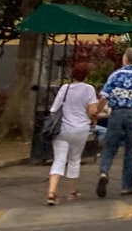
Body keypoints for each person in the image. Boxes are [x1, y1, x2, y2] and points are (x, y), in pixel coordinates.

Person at [96, 47, 132, 198]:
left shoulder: (115, 75)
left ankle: (104, 172)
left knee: (110, 147)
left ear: (125, 58)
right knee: (131, 150)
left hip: (116, 113)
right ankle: (126, 186)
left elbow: (104, 97)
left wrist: (96, 113)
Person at [46, 63, 98, 204]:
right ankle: (72, 191)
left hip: (62, 129)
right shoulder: (89, 89)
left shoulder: (65, 88)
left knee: (59, 160)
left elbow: (54, 110)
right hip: (80, 129)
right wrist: (94, 119)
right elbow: (93, 111)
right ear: (86, 75)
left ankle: (51, 192)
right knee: (74, 160)